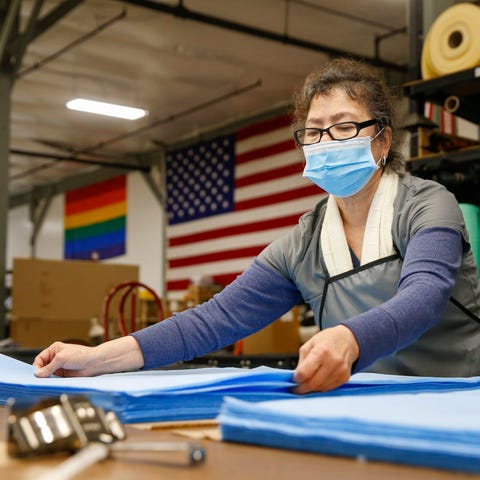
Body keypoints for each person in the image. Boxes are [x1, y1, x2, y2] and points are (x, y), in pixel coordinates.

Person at [33, 57, 480, 393]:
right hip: (363, 405)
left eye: (344, 127)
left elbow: (423, 297)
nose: (325, 142)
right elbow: (214, 319)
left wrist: (348, 338)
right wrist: (99, 358)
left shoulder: (428, 206)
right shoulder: (303, 245)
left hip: (454, 399)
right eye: (313, 130)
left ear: (382, 138)